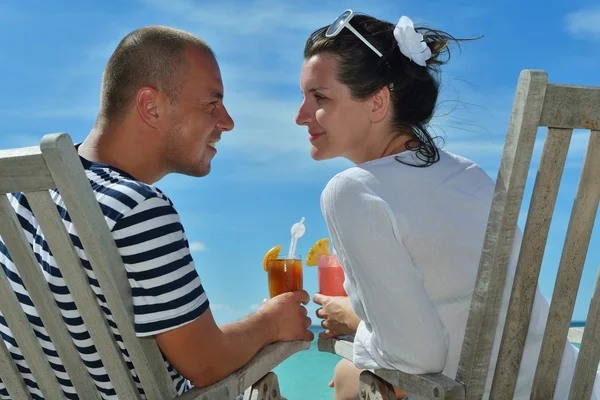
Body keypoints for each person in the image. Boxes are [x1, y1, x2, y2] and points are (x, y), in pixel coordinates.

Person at [295, 10, 599, 400]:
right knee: (350, 373)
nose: (300, 116)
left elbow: (415, 357)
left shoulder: (352, 191)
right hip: (572, 388)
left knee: (348, 372)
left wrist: (356, 319)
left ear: (376, 103)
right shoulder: (469, 176)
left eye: (319, 97)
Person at [0, 26, 313, 399]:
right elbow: (206, 364)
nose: (227, 122)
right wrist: (271, 322)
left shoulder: (19, 195)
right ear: (151, 106)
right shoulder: (138, 209)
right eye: (212, 104)